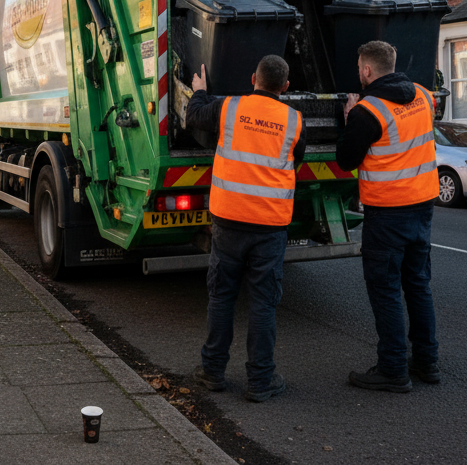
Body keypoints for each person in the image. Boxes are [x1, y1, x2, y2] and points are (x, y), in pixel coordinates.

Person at [184, 55, 305, 402]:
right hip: (270, 225)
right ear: (285, 87)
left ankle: (212, 372)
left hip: (229, 221)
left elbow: (194, 116)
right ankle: (261, 381)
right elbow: (298, 160)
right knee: (264, 303)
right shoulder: (295, 121)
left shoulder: (230, 108)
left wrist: (200, 90)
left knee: (222, 297)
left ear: (253, 78)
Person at [335, 40, 440, 393]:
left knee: (385, 289)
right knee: (417, 285)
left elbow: (347, 160)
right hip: (423, 206)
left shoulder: (368, 112)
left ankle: (393, 368)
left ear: (366, 70)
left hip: (388, 212)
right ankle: (427, 362)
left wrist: (350, 118)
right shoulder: (424, 96)